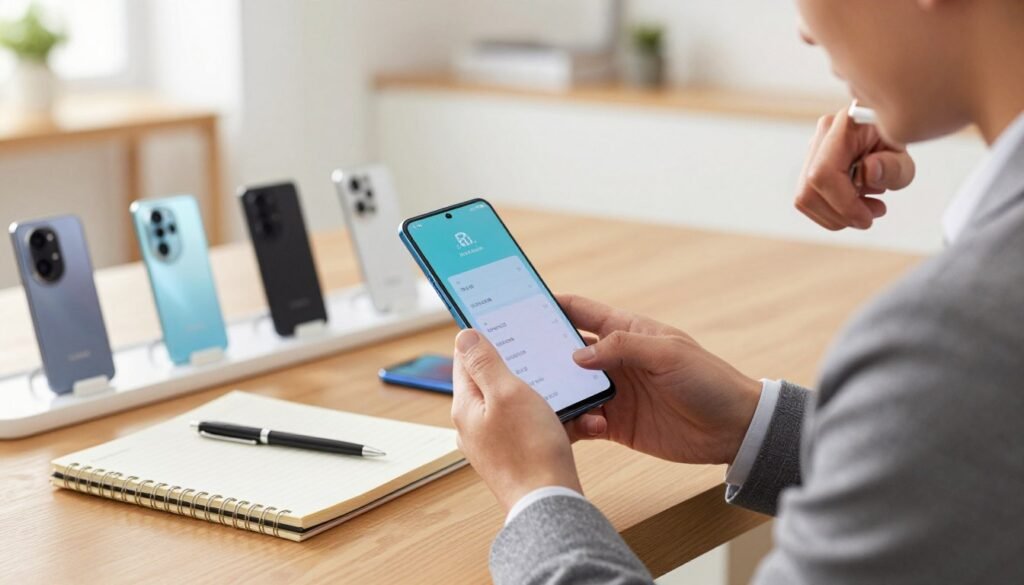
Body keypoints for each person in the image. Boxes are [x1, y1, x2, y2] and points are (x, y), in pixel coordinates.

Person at [449, 0, 1024, 583]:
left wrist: (536, 495)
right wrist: (755, 424)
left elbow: (965, 402)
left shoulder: (959, 337)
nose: (804, 28)